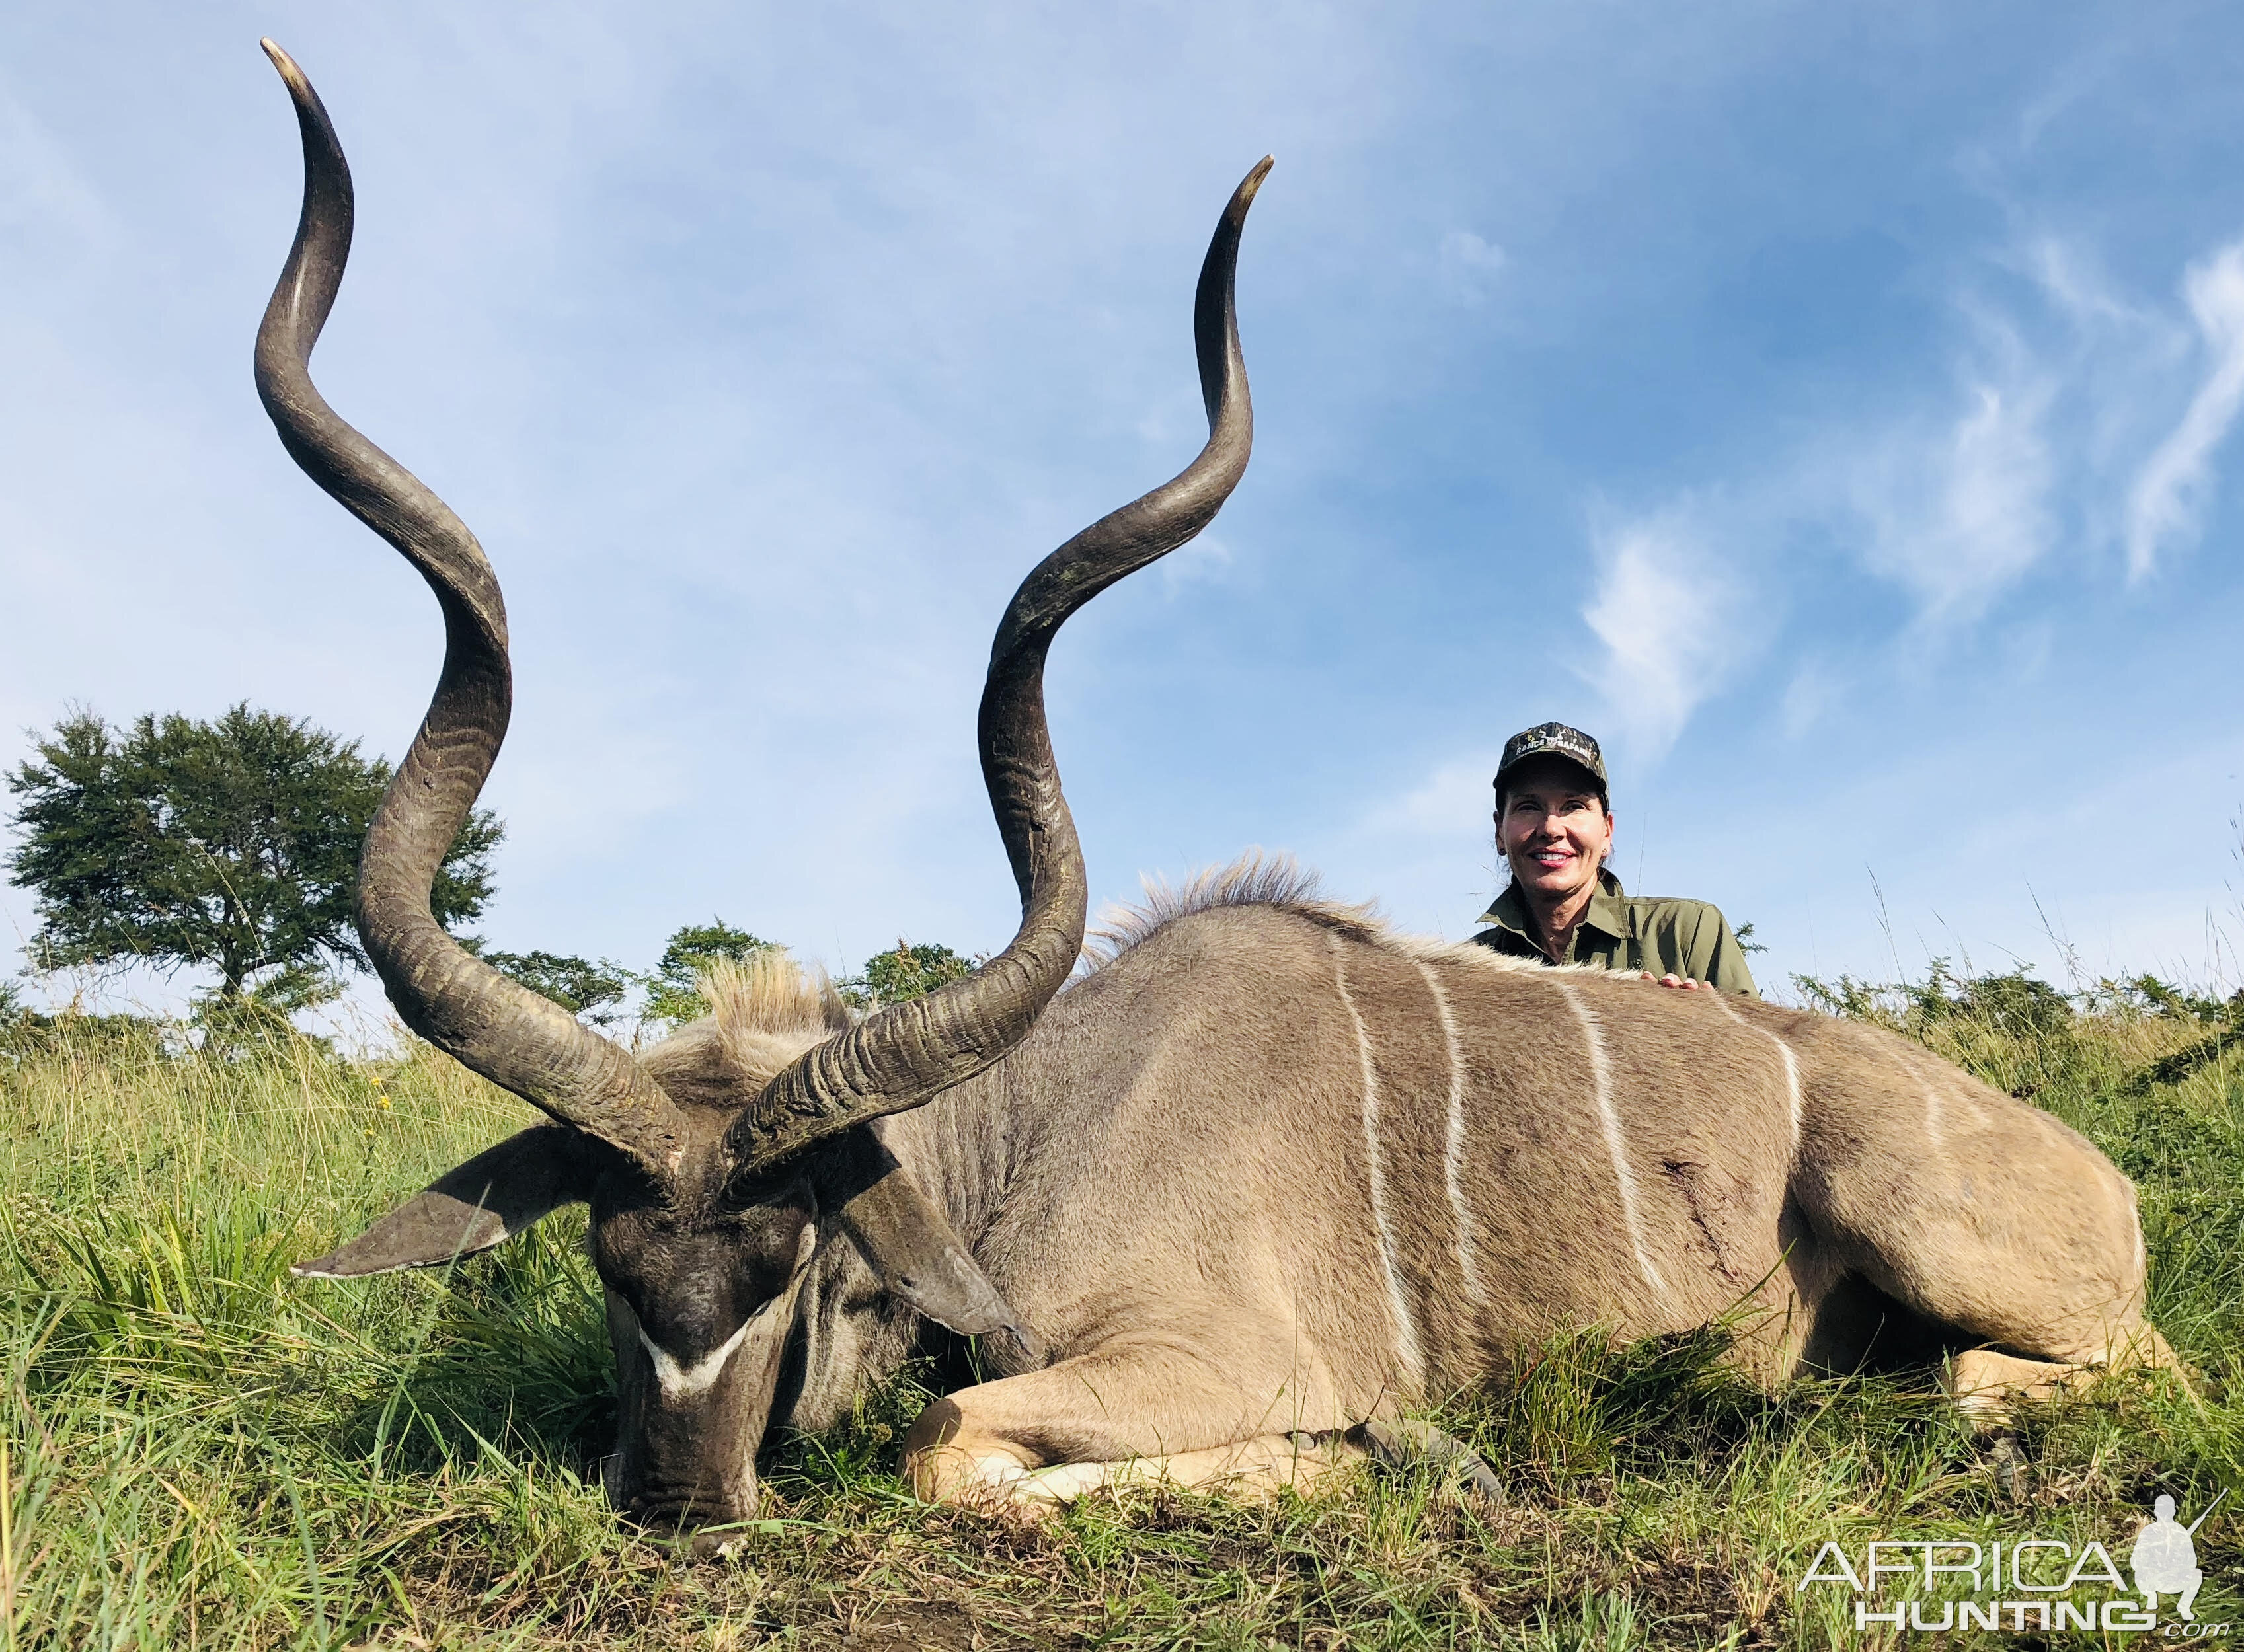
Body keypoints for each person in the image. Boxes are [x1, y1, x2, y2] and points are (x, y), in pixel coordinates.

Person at [1471, 722, 1758, 995]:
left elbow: (1758, 1044)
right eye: (1528, 807)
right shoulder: (1471, 969)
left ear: (1607, 832)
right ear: (1500, 832)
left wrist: (1703, 1031)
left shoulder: (1687, 931)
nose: (1551, 829)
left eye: (1574, 806)